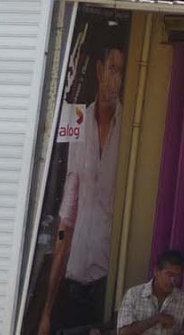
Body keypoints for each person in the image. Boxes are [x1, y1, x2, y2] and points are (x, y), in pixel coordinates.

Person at [37, 36, 125, 335]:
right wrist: (46, 312)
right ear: (99, 70)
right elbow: (67, 217)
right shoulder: (79, 124)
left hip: (106, 281)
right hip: (72, 280)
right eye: (112, 69)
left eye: (121, 71)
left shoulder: (129, 129)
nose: (116, 79)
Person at [116, 250, 184, 335]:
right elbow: (123, 332)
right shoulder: (134, 294)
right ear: (156, 272)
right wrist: (155, 319)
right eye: (169, 274)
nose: (173, 280)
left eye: (178, 276)